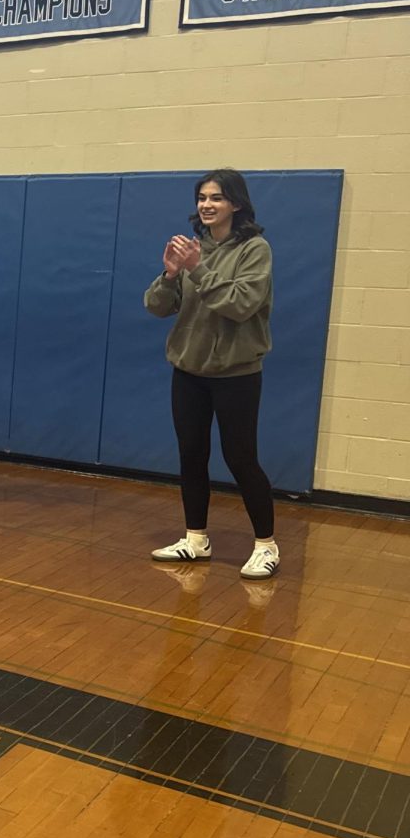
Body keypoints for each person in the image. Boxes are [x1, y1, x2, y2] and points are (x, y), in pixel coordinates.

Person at [144, 168, 279, 580]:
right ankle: (196, 538)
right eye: (202, 197)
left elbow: (239, 304)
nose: (206, 204)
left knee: (240, 457)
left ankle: (266, 545)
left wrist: (198, 269)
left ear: (235, 204)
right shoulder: (190, 249)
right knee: (191, 454)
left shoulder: (255, 249)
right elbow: (156, 306)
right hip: (189, 369)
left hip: (236, 373)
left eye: (216, 198)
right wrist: (170, 274)